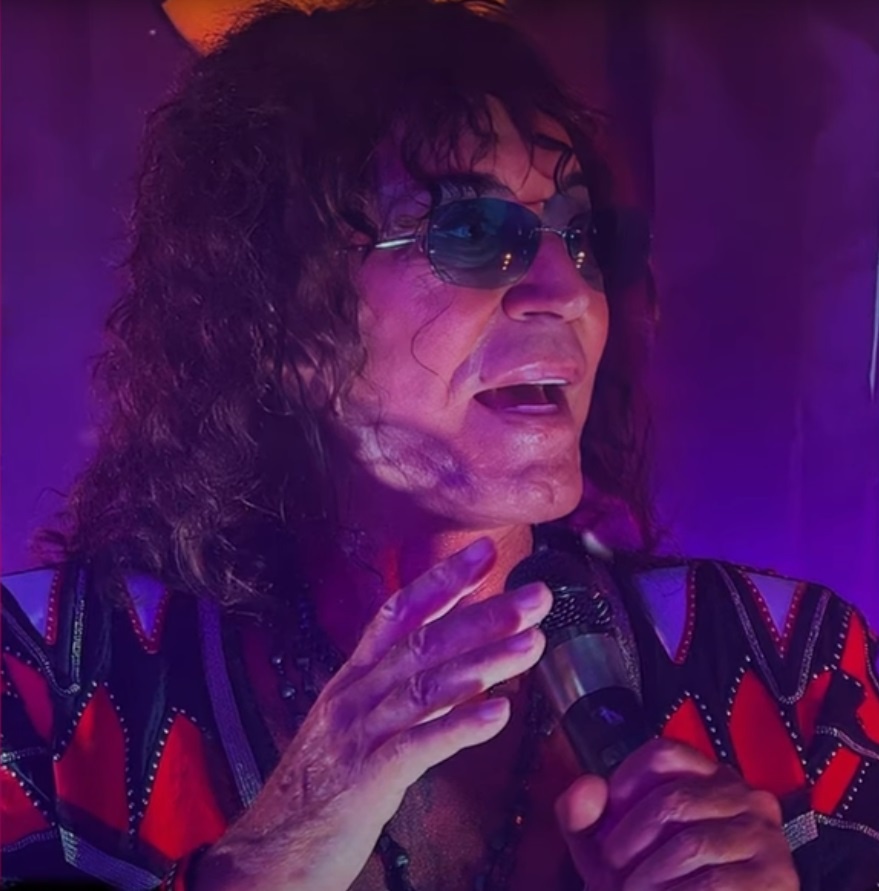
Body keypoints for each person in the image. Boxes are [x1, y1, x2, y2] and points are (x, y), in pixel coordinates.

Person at [2, 1, 878, 889]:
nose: (565, 291)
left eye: (581, 237)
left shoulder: (789, 668)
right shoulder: (45, 679)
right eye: (471, 234)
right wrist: (267, 858)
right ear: (280, 321)